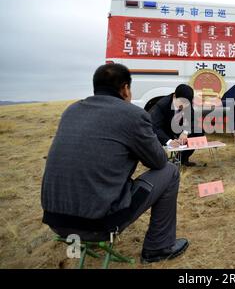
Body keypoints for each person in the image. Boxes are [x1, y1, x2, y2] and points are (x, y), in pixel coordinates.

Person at [41, 63, 188, 264]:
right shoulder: (133, 115)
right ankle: (159, 247)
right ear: (126, 88)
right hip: (97, 224)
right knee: (170, 171)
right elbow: (158, 161)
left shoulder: (71, 110)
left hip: (55, 220)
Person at [148, 84, 202, 167]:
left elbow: (192, 118)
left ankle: (182, 158)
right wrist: (169, 141)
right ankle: (162, 163)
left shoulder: (187, 102)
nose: (185, 106)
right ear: (174, 96)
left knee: (199, 131)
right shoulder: (162, 105)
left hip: (177, 128)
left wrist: (185, 132)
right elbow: (154, 127)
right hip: (164, 131)